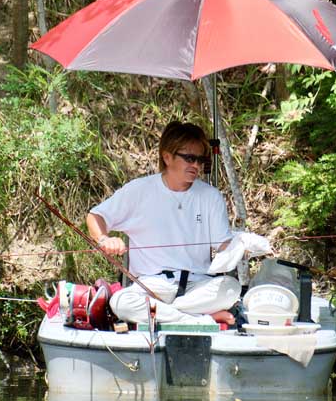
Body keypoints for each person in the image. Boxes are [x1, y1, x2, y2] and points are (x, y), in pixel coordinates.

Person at [86, 121, 240, 325]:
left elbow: (223, 245)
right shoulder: (139, 190)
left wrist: (242, 245)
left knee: (231, 288)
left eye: (200, 160)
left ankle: (172, 315)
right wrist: (104, 239)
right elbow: (95, 216)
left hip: (197, 288)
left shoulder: (211, 196)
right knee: (121, 302)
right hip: (152, 285)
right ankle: (199, 320)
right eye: (190, 158)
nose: (196, 165)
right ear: (167, 157)